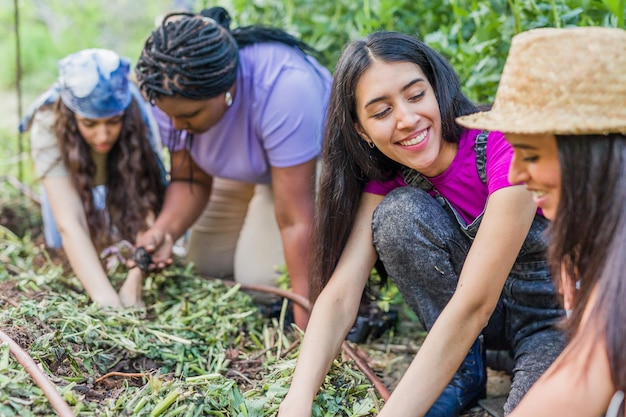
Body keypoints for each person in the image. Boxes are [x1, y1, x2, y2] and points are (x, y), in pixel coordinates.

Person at [278, 31, 567, 417]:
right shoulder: (388, 181)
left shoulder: (503, 145)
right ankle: (463, 371)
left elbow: (473, 304)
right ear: (361, 130)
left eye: (416, 96)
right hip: (478, 333)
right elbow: (340, 294)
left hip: (550, 323)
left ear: (436, 89)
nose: (407, 119)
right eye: (381, 112)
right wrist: (298, 397)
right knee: (398, 214)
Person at [457, 26, 626, 417]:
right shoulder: (588, 245)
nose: (515, 174)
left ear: (589, 157)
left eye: (530, 155)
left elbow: (579, 385)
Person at [133, 7, 332, 329]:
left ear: (228, 91)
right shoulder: (168, 93)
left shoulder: (285, 88)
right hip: (242, 169)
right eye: (171, 117)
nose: (177, 126)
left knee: (261, 280)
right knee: (204, 267)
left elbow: (296, 220)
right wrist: (164, 231)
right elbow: (188, 176)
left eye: (190, 116)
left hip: (307, 169)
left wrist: (306, 323)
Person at [20, 48, 166, 308]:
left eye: (113, 122)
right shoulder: (48, 119)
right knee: (58, 242)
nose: (102, 136)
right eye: (89, 124)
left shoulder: (136, 112)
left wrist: (136, 276)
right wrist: (106, 301)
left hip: (119, 177)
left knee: (122, 229)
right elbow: (70, 222)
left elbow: (146, 199)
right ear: (72, 114)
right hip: (71, 180)